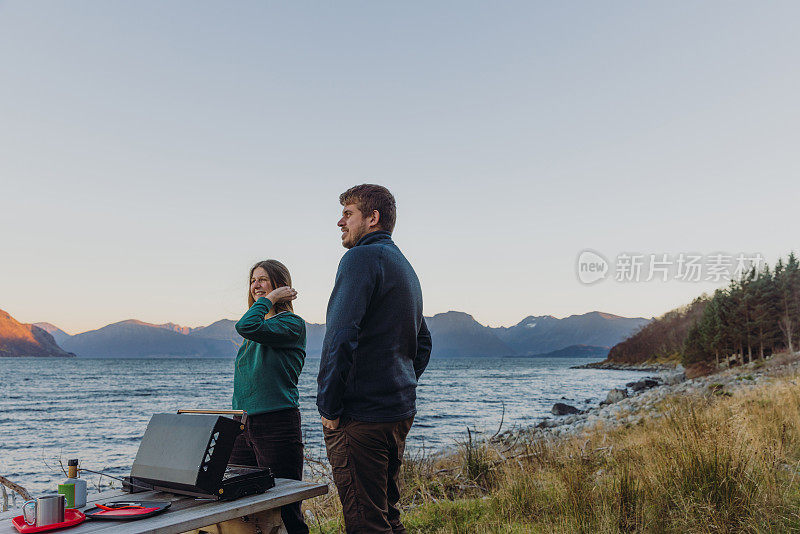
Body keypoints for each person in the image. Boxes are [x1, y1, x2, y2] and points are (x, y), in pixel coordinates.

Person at [317, 184, 433, 533]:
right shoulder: (404, 267)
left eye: (348, 213)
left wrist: (329, 408)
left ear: (373, 218)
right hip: (396, 412)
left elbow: (340, 337)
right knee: (387, 515)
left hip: (360, 418)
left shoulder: (359, 258)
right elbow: (423, 343)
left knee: (365, 523)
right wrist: (399, 383)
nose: (340, 222)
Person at [230, 259, 309, 534]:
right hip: (242, 425)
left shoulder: (291, 324)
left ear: (280, 284)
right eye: (253, 280)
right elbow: (249, 327)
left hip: (277, 423)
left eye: (263, 279)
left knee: (285, 508)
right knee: (241, 506)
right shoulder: (258, 331)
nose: (256, 285)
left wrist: (273, 298)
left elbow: (246, 325)